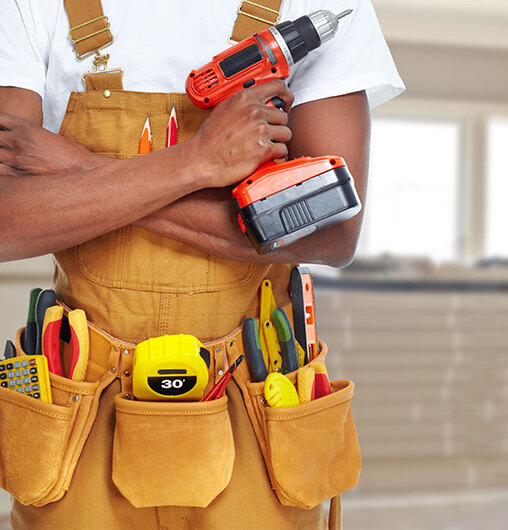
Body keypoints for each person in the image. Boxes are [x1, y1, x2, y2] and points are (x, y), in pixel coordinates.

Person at [0, 1, 404, 529]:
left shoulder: (314, 6)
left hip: (258, 402)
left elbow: (331, 231)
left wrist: (79, 169)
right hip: (83, 409)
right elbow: (7, 222)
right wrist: (197, 163)